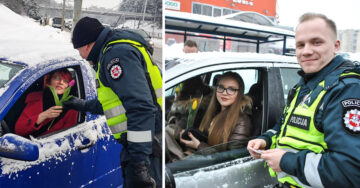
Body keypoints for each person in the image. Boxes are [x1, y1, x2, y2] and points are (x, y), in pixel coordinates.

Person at [247, 13, 360, 188]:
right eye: (300, 45)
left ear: (336, 46)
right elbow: (288, 126)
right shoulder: (306, 84)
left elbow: (350, 172)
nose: (306, 51)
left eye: (316, 42)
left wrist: (286, 162)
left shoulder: (345, 90)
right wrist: (266, 139)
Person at [67, 17, 162, 188]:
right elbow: (116, 104)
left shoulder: (116, 55)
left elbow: (141, 107)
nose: (80, 55)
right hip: (145, 142)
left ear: (87, 45)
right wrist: (81, 105)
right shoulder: (111, 50)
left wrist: (139, 163)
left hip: (147, 147)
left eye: (79, 49)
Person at [166, 72, 252, 162]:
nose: (224, 93)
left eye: (231, 89)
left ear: (239, 93)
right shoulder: (213, 111)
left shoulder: (242, 121)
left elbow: (231, 160)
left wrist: (199, 146)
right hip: (199, 157)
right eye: (221, 87)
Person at [15, 69, 78, 137]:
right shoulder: (34, 98)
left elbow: (68, 137)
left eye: (65, 81)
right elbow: (19, 130)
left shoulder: (71, 108)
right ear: (49, 81)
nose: (61, 82)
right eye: (57, 78)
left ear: (68, 87)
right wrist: (42, 116)